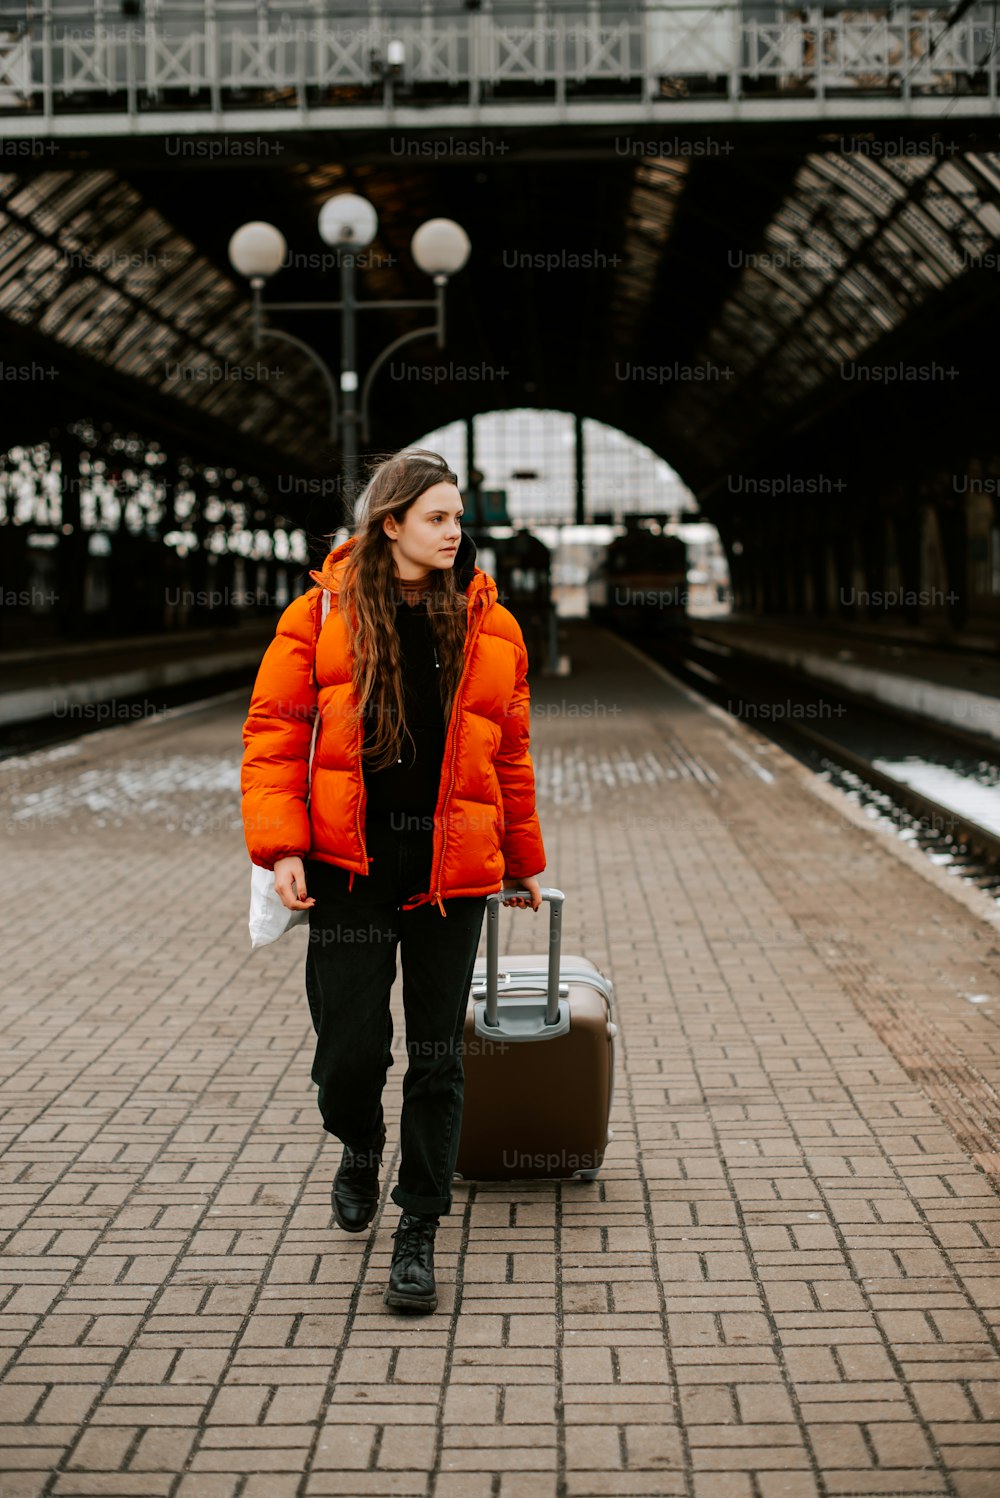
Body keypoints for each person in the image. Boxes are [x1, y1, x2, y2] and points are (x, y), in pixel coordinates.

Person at [240, 449, 546, 1315]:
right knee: (349, 1052)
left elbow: (509, 755)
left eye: (459, 519)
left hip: (453, 873)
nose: (457, 533)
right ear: (391, 525)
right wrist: (282, 846)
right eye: (439, 518)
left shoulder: (494, 627)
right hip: (349, 869)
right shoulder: (318, 616)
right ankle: (359, 1140)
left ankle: (418, 1227)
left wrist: (521, 859)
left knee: (439, 1058)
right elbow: (271, 736)